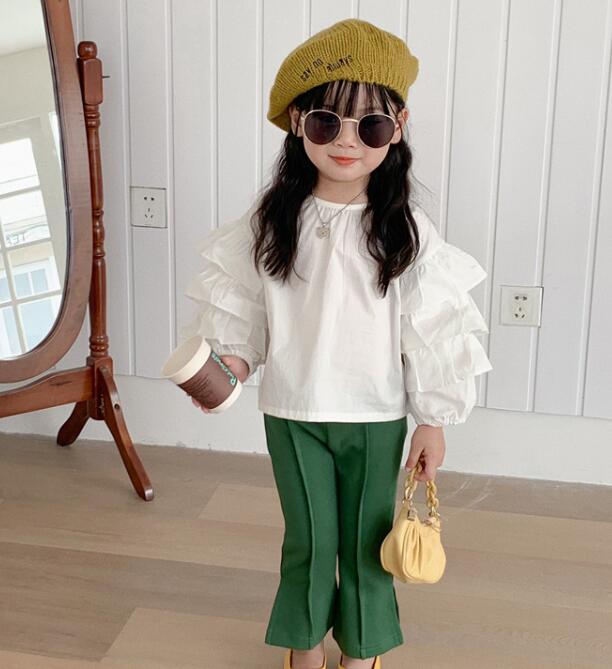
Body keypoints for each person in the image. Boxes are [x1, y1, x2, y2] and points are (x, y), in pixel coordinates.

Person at [181, 18, 493, 669]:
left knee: (367, 542)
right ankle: (305, 648)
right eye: (328, 122)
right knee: (308, 539)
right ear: (298, 123)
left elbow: (431, 325)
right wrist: (225, 366)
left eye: (369, 126)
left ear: (397, 128)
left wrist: (432, 419)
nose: (347, 141)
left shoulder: (405, 230)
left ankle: (362, 649)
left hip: (376, 416)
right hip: (293, 411)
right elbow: (244, 310)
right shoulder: (272, 221)